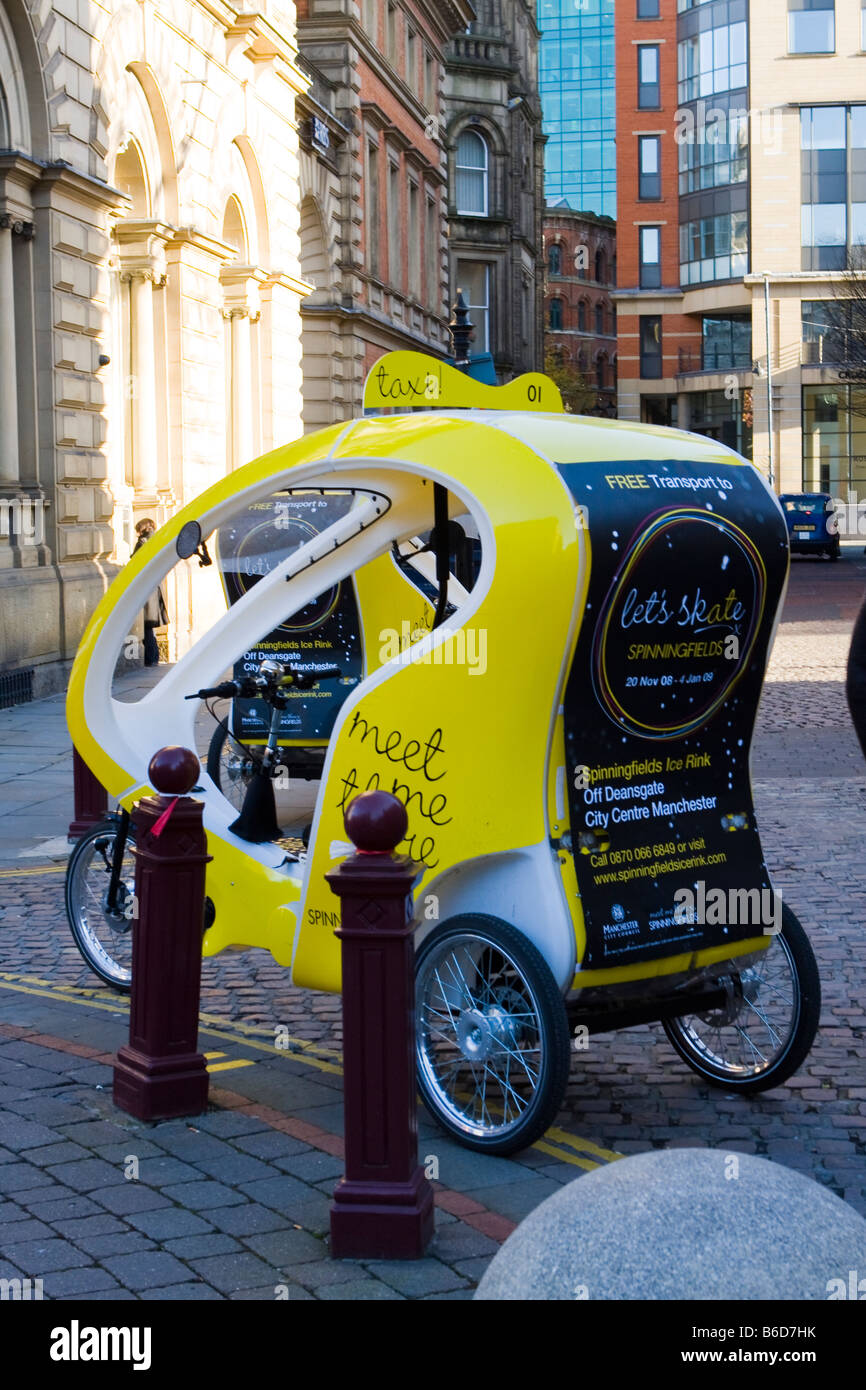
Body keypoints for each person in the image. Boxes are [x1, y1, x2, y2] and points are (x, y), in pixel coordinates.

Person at [133, 518, 168, 667]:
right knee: (149, 628)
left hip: (147, 590)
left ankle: (150, 658)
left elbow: (136, 564)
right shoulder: (159, 539)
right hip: (155, 588)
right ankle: (153, 658)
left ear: (142, 529)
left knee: (146, 626)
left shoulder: (143, 542)